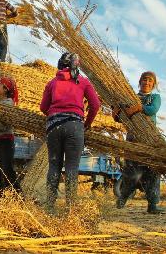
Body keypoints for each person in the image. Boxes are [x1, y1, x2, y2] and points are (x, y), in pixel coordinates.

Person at [40, 52, 100, 212]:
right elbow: (95, 105)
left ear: (60, 65)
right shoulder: (84, 82)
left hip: (53, 127)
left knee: (54, 165)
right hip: (75, 126)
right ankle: (71, 209)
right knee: (72, 167)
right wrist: (86, 124)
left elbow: (43, 107)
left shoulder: (52, 83)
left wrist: (56, 115)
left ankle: (49, 207)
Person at [113, 71, 163, 214]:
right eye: (144, 80)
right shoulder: (130, 97)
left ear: (153, 84)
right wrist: (115, 112)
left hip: (149, 140)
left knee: (153, 172)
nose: (147, 83)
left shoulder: (155, 97)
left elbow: (153, 109)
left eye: (150, 81)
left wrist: (139, 108)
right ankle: (122, 199)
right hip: (133, 139)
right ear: (140, 81)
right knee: (131, 172)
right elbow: (120, 117)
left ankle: (152, 205)